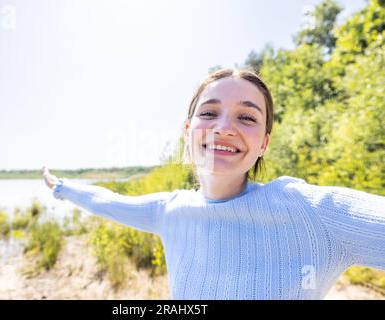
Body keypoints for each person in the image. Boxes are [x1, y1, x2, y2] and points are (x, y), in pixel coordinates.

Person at [42, 68, 385, 300]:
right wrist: (62, 187)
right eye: (209, 113)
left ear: (264, 143)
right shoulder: (170, 211)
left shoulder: (309, 211)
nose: (223, 127)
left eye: (247, 117)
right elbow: (106, 201)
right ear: (187, 130)